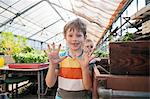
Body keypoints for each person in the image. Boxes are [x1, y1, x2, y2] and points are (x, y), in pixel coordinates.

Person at [45, 18, 94, 99]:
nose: (74, 39)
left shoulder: (87, 59)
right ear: (65, 37)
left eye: (78, 35)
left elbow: (88, 87)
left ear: (84, 37)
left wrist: (84, 68)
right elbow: (49, 84)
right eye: (70, 35)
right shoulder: (60, 58)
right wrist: (52, 65)